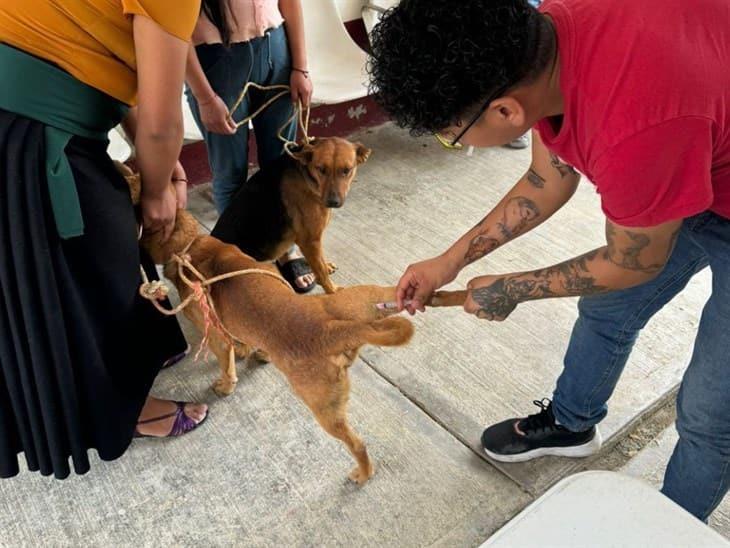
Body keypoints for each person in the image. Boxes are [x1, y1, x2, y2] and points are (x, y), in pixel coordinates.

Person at [368, 0, 730, 521]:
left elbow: (634, 262)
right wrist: (449, 261)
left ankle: (670, 529)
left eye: (451, 136)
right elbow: (547, 177)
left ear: (505, 112)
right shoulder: (546, 38)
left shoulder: (635, 127)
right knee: (606, 312)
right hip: (698, 153)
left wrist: (514, 287)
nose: (452, 141)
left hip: (685, 144)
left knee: (709, 414)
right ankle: (572, 421)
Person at [0, 0, 210, 479]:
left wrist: (151, 154)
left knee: (104, 246)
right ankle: (125, 410)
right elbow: (162, 123)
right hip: (24, 129)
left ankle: (145, 356)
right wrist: (156, 188)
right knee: (101, 266)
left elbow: (112, 63)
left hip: (33, 113)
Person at [185, 0, 316, 293]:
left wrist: (300, 67)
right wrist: (205, 98)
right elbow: (172, 30)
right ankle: (240, 260)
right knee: (230, 173)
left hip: (276, 47)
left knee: (282, 164)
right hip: (216, 61)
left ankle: (284, 246)